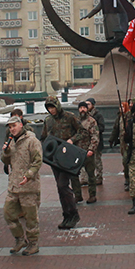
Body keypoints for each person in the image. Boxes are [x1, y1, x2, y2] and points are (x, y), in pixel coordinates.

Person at [2, 115, 43, 256]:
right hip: (14, 185)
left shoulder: (32, 141)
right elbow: (6, 160)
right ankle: (20, 239)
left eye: (14, 125)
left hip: (29, 187)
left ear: (20, 125)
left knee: (31, 218)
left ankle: (33, 244)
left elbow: (38, 161)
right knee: (8, 213)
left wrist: (29, 175)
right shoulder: (11, 141)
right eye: (10, 127)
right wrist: (5, 151)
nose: (12, 129)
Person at [40, 95, 83, 230]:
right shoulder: (48, 121)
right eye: (48, 108)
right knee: (60, 188)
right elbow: (43, 137)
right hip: (54, 159)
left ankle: (74, 214)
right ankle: (66, 215)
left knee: (63, 185)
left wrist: (72, 140)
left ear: (57, 106)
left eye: (52, 107)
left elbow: (82, 131)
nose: (51, 110)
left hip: (67, 156)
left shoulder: (70, 117)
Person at [73, 101, 99, 204]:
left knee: (91, 175)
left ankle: (92, 195)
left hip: (87, 152)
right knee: (74, 175)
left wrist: (91, 149)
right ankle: (77, 195)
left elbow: (95, 136)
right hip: (76, 152)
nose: (82, 109)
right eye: (81, 108)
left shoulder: (91, 121)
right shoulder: (75, 121)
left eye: (84, 107)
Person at [85, 98, 106, 185]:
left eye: (89, 104)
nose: (87, 106)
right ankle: (88, 177)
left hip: (96, 141)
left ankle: (99, 177)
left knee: (97, 161)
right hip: (86, 142)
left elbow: (102, 127)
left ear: (93, 105)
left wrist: (93, 129)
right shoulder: (84, 115)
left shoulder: (97, 115)